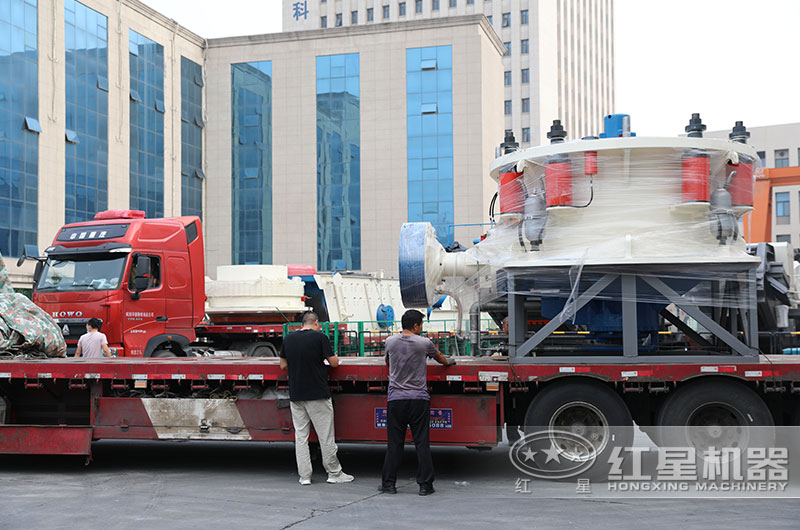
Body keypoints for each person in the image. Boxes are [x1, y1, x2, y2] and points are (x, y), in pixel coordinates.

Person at [380, 309, 454, 496]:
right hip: (419, 399)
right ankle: (425, 486)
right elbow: (441, 360)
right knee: (421, 442)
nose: (422, 328)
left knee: (394, 443)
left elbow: (388, 363)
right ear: (415, 325)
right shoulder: (424, 343)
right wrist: (450, 362)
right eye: (421, 324)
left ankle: (389, 484)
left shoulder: (390, 341)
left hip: (396, 399)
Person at [279, 311, 354, 486]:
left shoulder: (288, 339)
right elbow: (334, 362)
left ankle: (304, 476)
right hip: (317, 394)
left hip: (296, 394)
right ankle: (334, 473)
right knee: (325, 436)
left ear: (302, 324)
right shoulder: (320, 338)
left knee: (301, 437)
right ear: (316, 323)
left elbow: (283, 365)